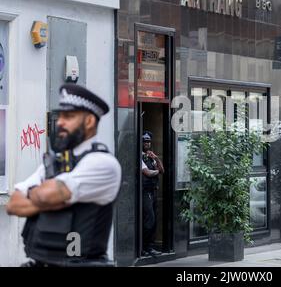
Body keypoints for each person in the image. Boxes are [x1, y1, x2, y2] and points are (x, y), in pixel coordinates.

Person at [6, 83, 121, 267]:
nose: (60, 122)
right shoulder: (56, 162)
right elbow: (13, 204)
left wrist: (42, 195)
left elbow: (46, 194)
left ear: (89, 121)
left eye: (69, 117)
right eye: (60, 116)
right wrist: (55, 200)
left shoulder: (103, 163)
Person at [141, 131, 164, 257]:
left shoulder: (150, 156)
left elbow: (162, 170)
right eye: (144, 141)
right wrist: (156, 171)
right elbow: (148, 173)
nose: (147, 143)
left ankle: (150, 247)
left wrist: (155, 158)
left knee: (153, 220)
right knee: (149, 219)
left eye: (148, 141)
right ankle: (144, 247)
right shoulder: (140, 156)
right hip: (145, 192)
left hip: (153, 191)